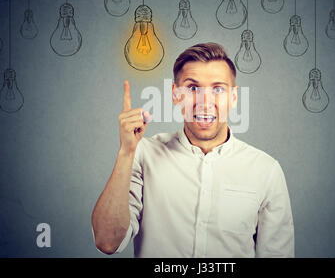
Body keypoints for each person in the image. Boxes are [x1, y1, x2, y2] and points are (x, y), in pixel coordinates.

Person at [91, 42, 294, 257]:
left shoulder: (266, 170)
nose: (205, 102)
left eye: (218, 89)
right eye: (192, 88)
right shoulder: (143, 155)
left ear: (233, 97)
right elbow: (107, 242)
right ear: (175, 94)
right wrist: (126, 153)